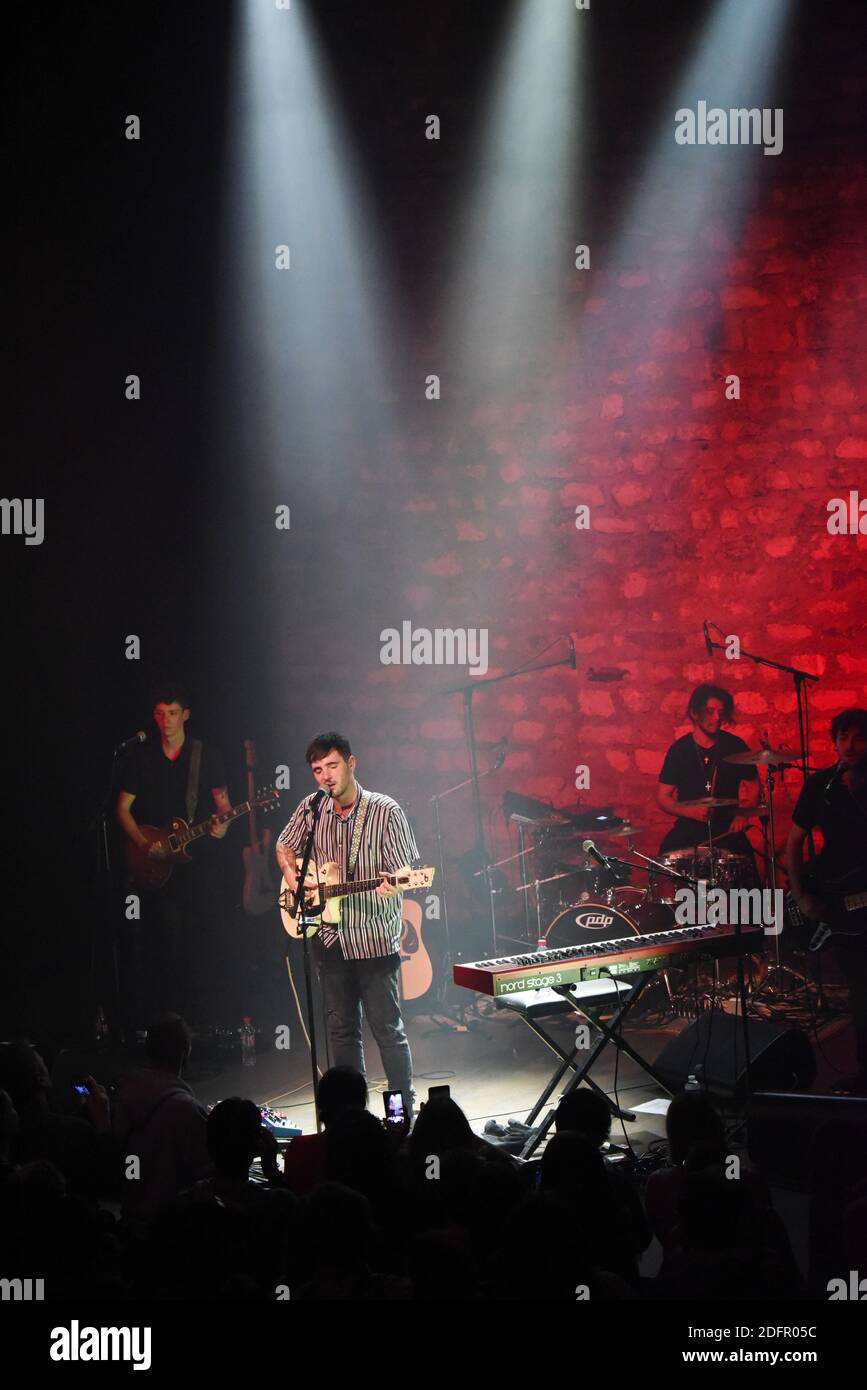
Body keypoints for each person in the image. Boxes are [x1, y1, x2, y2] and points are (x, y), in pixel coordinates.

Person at [275, 732, 419, 1118]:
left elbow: (408, 870)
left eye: (332, 766)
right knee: (341, 1033)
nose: (326, 776)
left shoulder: (385, 810)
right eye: (318, 770)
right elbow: (284, 846)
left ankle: (400, 1112)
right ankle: (353, 1116)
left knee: (387, 1031)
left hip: (373, 938)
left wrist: (395, 883)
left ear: (352, 764)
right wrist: (293, 879)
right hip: (328, 936)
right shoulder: (312, 808)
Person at [115, 681, 231, 1025]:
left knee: (198, 938)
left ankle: (199, 1019)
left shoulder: (205, 755)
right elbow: (122, 809)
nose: (166, 720)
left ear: (186, 715)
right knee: (158, 941)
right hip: (153, 865)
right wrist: (143, 843)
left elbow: (224, 808)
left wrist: (221, 828)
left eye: (173, 713)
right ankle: (161, 1017)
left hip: (197, 865)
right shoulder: (142, 756)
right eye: (160, 713)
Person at [786, 707, 867, 1095]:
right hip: (841, 901)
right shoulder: (821, 786)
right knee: (859, 989)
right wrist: (801, 894)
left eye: (858, 737)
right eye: (843, 737)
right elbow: (794, 843)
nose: (850, 746)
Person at [656, 683, 760, 857]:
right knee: (665, 864)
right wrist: (689, 811)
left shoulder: (735, 745)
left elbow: (754, 786)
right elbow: (662, 797)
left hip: (727, 829)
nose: (717, 717)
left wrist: (742, 816)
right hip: (688, 829)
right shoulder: (680, 750)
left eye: (721, 712)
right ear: (695, 713)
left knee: (746, 871)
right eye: (710, 711)